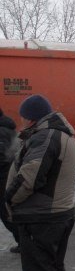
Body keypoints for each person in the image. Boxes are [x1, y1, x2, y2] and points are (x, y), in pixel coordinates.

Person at [5, 95, 75, 271]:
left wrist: (9, 200)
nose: (21, 120)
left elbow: (29, 177)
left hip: (42, 218)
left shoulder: (45, 136)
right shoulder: (60, 134)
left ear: (32, 116)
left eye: (23, 115)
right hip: (56, 215)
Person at [0, 107, 20, 252]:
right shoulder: (6, 127)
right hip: (8, 174)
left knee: (6, 213)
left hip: (4, 177)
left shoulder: (2, 131)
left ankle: (25, 243)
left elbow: (1, 157)